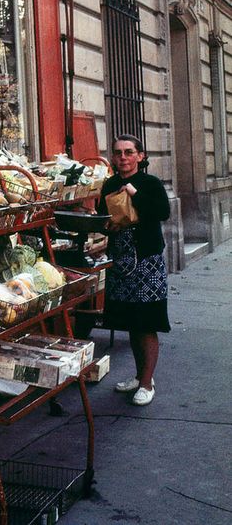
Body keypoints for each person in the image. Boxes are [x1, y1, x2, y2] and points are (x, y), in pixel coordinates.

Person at [97, 134, 170, 406]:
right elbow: (101, 217)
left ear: (140, 156)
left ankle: (148, 383)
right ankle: (139, 376)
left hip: (147, 263)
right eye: (118, 153)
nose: (123, 157)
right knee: (131, 321)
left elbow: (161, 212)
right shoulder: (109, 184)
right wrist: (106, 225)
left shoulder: (149, 183)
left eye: (129, 152)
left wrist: (134, 194)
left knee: (147, 323)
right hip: (121, 263)